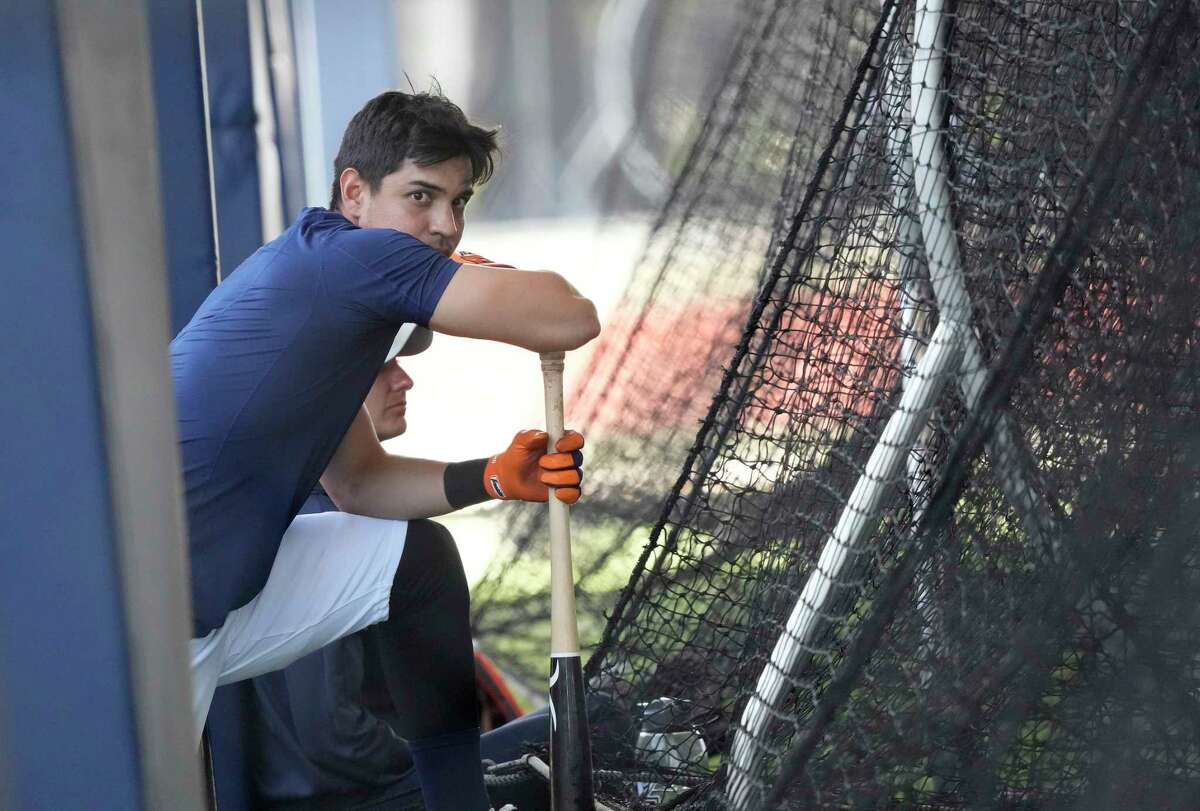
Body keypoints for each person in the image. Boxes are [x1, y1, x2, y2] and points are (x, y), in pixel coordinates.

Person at [171, 89, 600, 811]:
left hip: (220, 597)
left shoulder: (335, 288)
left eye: (458, 202)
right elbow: (569, 315)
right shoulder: (354, 261)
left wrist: (493, 476)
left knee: (417, 564)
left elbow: (361, 486)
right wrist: (482, 271)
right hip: (149, 620)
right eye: (421, 196)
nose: (443, 225)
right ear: (354, 193)